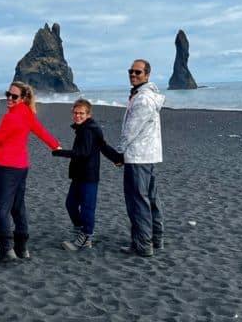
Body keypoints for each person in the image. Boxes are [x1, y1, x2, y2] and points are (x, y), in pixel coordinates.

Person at [0, 81, 61, 264]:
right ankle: (22, 248)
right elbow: (42, 132)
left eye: (14, 96)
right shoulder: (27, 113)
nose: (9, 98)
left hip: (7, 169)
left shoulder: (11, 117)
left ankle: (7, 250)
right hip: (22, 168)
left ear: (23, 98)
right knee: (17, 207)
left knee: (2, 209)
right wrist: (56, 146)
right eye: (8, 94)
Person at [52, 99, 122, 251]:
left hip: (88, 175)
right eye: (75, 113)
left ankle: (86, 237)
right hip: (79, 174)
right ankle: (81, 232)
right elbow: (103, 146)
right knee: (70, 204)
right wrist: (117, 158)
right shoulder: (87, 128)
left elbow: (82, 153)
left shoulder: (88, 130)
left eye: (81, 113)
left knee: (87, 208)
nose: (77, 116)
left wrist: (60, 152)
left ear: (88, 114)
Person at [117, 59, 165, 257]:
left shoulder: (143, 99)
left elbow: (131, 129)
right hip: (148, 155)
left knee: (138, 201)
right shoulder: (143, 96)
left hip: (138, 156)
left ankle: (143, 244)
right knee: (149, 198)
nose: (133, 75)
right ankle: (155, 239)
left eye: (138, 72)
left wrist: (120, 152)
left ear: (147, 75)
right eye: (131, 71)